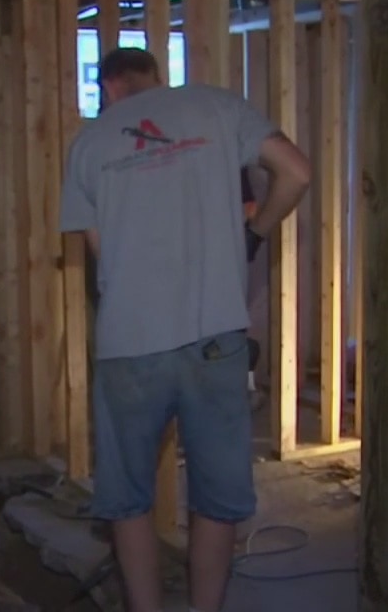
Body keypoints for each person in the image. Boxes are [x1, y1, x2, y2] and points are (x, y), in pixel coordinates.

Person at [60, 48, 311, 612]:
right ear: (157, 76)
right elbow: (297, 172)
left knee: (128, 501)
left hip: (129, 345)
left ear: (110, 87)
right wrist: (255, 234)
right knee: (216, 498)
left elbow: (101, 256)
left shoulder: (89, 143)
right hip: (216, 337)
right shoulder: (216, 107)